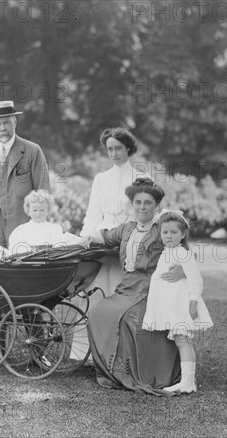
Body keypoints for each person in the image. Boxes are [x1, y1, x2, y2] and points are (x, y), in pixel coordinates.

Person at [79, 178, 182, 395]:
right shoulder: (127, 229)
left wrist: (180, 270)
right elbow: (105, 237)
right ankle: (114, 371)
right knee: (98, 311)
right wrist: (89, 237)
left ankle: (142, 373)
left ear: (157, 206)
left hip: (153, 288)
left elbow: (183, 250)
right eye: (138, 202)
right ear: (132, 205)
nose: (142, 207)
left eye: (147, 203)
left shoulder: (163, 228)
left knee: (130, 319)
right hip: (127, 288)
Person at [73, 128, 151, 361]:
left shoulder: (141, 178)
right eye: (110, 149)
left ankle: (124, 355)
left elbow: (145, 213)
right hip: (101, 242)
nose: (114, 153)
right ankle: (89, 355)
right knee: (96, 293)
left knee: (122, 295)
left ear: (128, 148)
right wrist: (87, 236)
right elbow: (93, 213)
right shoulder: (101, 179)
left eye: (118, 148)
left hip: (128, 241)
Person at [142, 211, 213, 393]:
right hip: (172, 305)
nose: (169, 236)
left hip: (182, 305)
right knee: (180, 340)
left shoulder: (182, 253)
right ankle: (186, 380)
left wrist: (193, 303)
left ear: (182, 234)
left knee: (183, 340)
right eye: (165, 232)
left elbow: (196, 279)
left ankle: (188, 381)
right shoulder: (167, 252)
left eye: (174, 232)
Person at [0, 100, 50, 247]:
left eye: (6, 123)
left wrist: (39, 227)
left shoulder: (32, 151)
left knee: (20, 266)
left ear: (15, 122)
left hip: (24, 227)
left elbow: (43, 191)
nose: (2, 128)